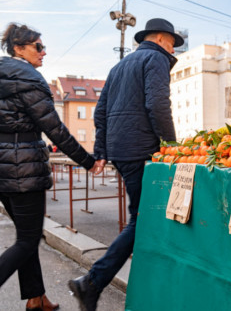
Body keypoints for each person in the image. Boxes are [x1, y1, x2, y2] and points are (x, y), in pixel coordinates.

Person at [68, 18, 183, 310]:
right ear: (160, 38)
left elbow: (101, 112)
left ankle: (104, 283)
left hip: (122, 151)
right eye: (172, 42)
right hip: (142, 149)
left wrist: (102, 150)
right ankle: (91, 283)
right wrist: (171, 146)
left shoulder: (119, 66)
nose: (173, 49)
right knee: (143, 219)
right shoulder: (156, 58)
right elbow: (157, 104)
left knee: (142, 217)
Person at [0, 23, 105, 310]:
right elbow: (55, 129)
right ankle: (36, 298)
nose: (44, 52)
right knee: (28, 239)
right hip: (24, 172)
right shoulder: (28, 78)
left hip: (4, 168)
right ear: (19, 48)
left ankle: (37, 300)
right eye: (38, 46)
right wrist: (88, 161)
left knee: (27, 236)